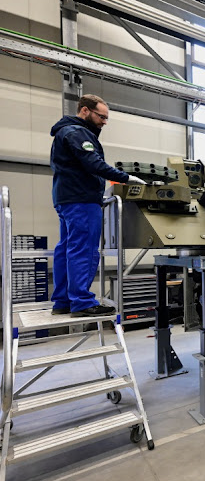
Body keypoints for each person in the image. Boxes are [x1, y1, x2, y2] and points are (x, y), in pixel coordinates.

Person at [50, 94, 146, 317]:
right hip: (81, 199)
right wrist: (126, 178)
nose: (104, 122)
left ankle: (63, 301)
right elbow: (93, 163)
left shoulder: (65, 132)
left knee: (66, 248)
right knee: (83, 250)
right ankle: (82, 302)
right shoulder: (77, 132)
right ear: (85, 111)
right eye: (101, 117)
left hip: (66, 199)